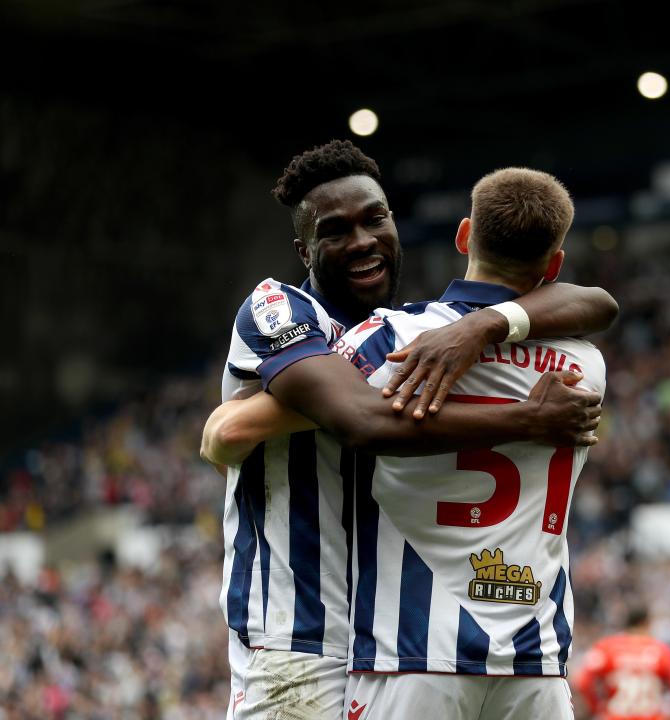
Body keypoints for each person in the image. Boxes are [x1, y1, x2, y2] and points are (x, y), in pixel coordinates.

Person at [204, 140, 618, 720]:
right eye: (335, 231)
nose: (362, 241)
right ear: (304, 250)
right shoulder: (282, 311)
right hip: (302, 631)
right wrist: (528, 416)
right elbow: (354, 419)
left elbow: (596, 301)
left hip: (393, 634)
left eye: (375, 219)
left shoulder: (414, 334)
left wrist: (484, 325)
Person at [325, 167, 605, 719]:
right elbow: (595, 304)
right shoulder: (584, 365)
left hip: (410, 655)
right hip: (536, 662)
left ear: (463, 236)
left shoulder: (390, 341)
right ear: (554, 265)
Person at [573, 607, 670, 720]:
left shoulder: (606, 648)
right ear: (646, 623)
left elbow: (582, 682)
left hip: (615, 716)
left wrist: (597, 708)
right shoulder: (662, 650)